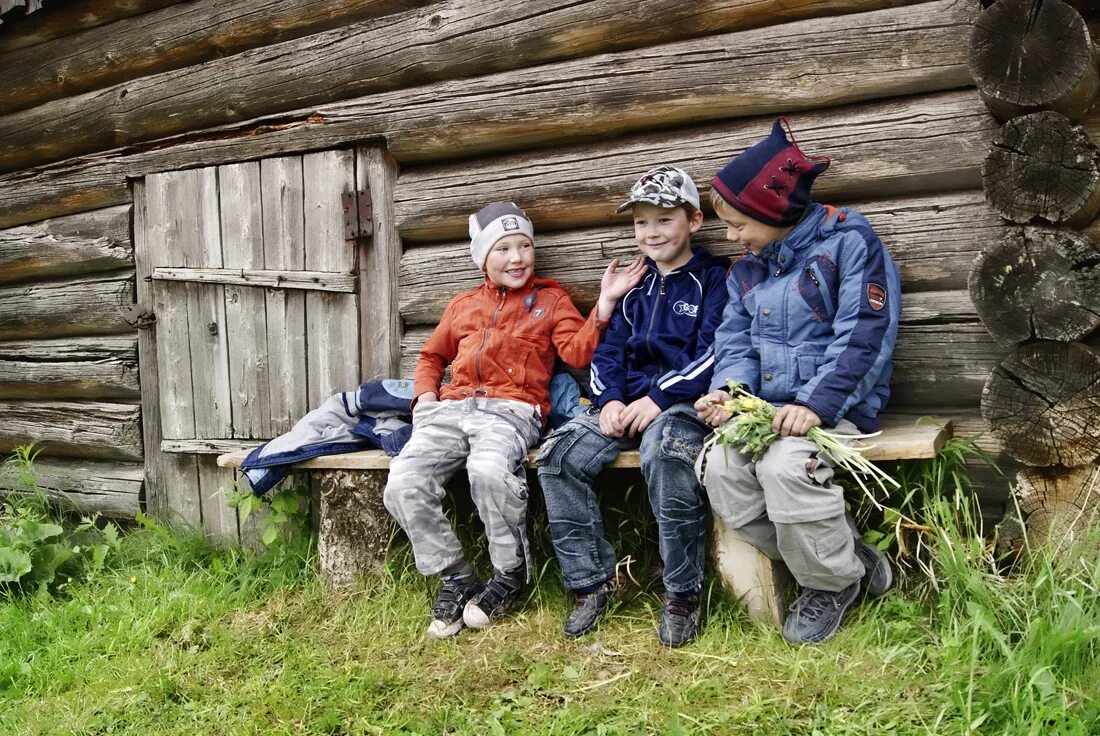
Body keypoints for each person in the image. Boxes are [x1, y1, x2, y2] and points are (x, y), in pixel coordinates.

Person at [383, 202, 646, 638]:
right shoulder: (464, 304)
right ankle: (456, 577)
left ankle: (509, 574)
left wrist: (604, 304)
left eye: (524, 245)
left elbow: (578, 353)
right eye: (503, 248)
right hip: (450, 410)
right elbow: (431, 356)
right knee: (403, 481)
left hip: (513, 410)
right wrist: (424, 399)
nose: (518, 257)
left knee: (487, 471)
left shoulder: (550, 300)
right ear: (483, 258)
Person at [694, 118, 900, 644]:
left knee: (788, 467)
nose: (731, 237)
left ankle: (828, 586)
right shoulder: (749, 270)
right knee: (719, 467)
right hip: (767, 411)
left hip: (836, 406)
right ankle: (847, 559)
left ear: (774, 211)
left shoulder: (849, 242)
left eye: (739, 225)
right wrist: (731, 395)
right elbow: (734, 340)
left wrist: (816, 404)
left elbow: (864, 334)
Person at [537, 166, 729, 647]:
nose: (652, 231)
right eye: (641, 222)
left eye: (664, 218)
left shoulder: (715, 279)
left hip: (682, 404)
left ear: (695, 221)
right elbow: (607, 353)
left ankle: (682, 593)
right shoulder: (634, 287)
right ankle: (590, 583)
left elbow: (714, 352)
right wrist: (609, 401)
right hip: (624, 403)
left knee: (664, 455)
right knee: (558, 457)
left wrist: (658, 397)